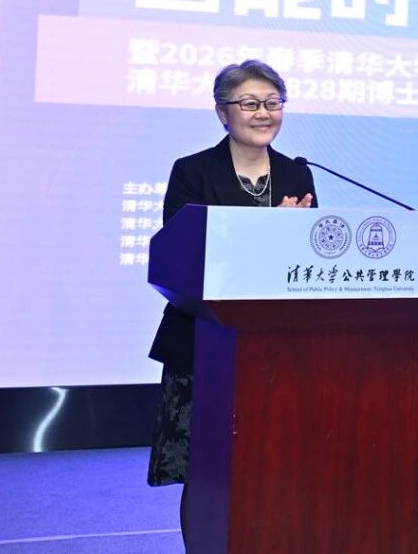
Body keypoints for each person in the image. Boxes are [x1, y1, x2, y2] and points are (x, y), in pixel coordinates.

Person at [146, 60, 316, 544]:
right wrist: (266, 231)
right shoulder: (192, 171)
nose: (263, 113)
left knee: (274, 464)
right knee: (206, 468)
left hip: (279, 345)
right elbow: (183, 256)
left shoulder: (297, 173)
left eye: (273, 102)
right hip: (204, 342)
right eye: (249, 103)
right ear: (223, 112)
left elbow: (310, 258)